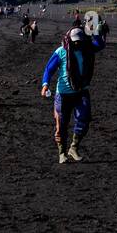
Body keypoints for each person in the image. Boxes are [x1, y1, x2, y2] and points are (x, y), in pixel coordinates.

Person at [41, 26, 103, 164]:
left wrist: (95, 32)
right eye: (74, 41)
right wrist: (45, 84)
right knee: (62, 124)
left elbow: (100, 44)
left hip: (81, 91)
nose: (77, 43)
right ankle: (62, 152)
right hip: (63, 94)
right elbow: (49, 69)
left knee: (84, 118)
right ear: (69, 39)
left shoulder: (87, 49)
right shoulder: (61, 51)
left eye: (79, 41)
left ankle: (74, 148)